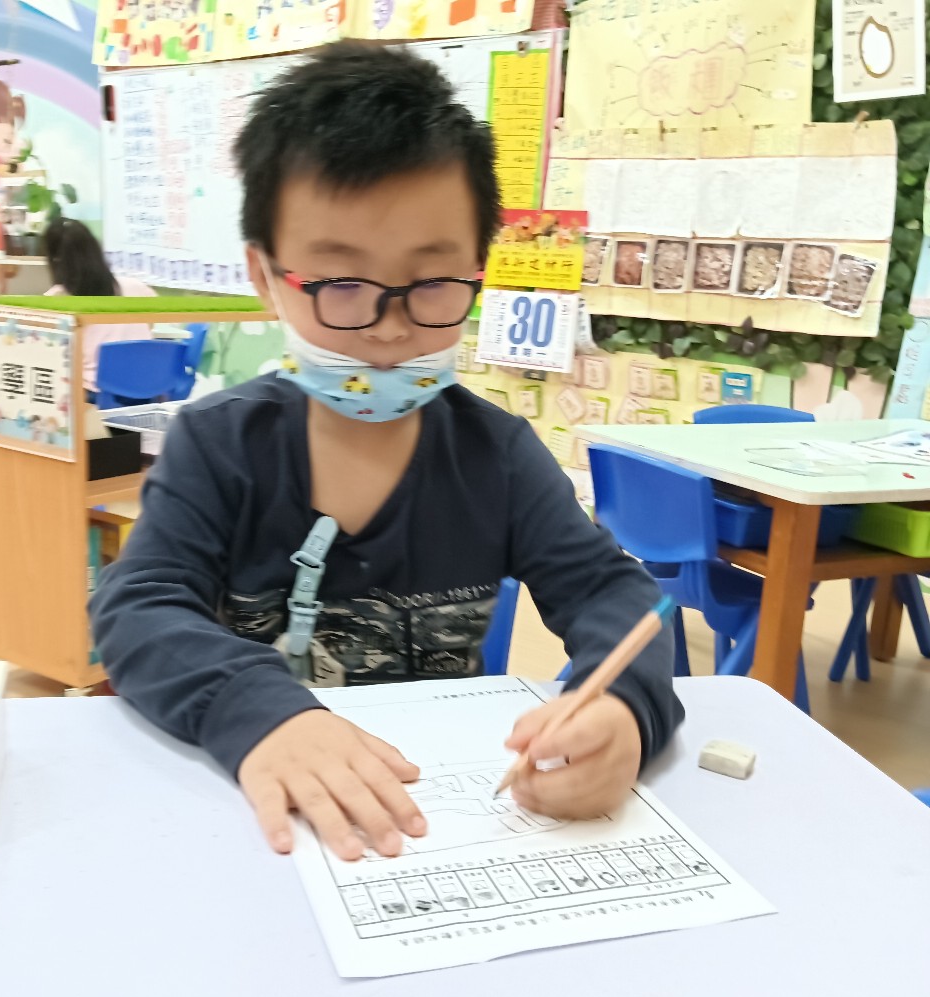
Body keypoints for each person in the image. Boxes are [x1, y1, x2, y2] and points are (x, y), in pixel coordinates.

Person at [90, 42, 683, 863]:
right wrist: (255, 710)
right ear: (265, 275)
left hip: (432, 827)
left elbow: (612, 592)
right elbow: (138, 607)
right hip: (253, 824)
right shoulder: (219, 445)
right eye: (342, 285)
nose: (390, 329)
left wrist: (621, 709)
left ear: (477, 270)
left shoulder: (497, 456)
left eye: (433, 285)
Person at [42, 218, 156, 400]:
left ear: (55, 259)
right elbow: (151, 324)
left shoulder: (55, 299)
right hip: (146, 388)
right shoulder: (136, 287)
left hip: (94, 393)